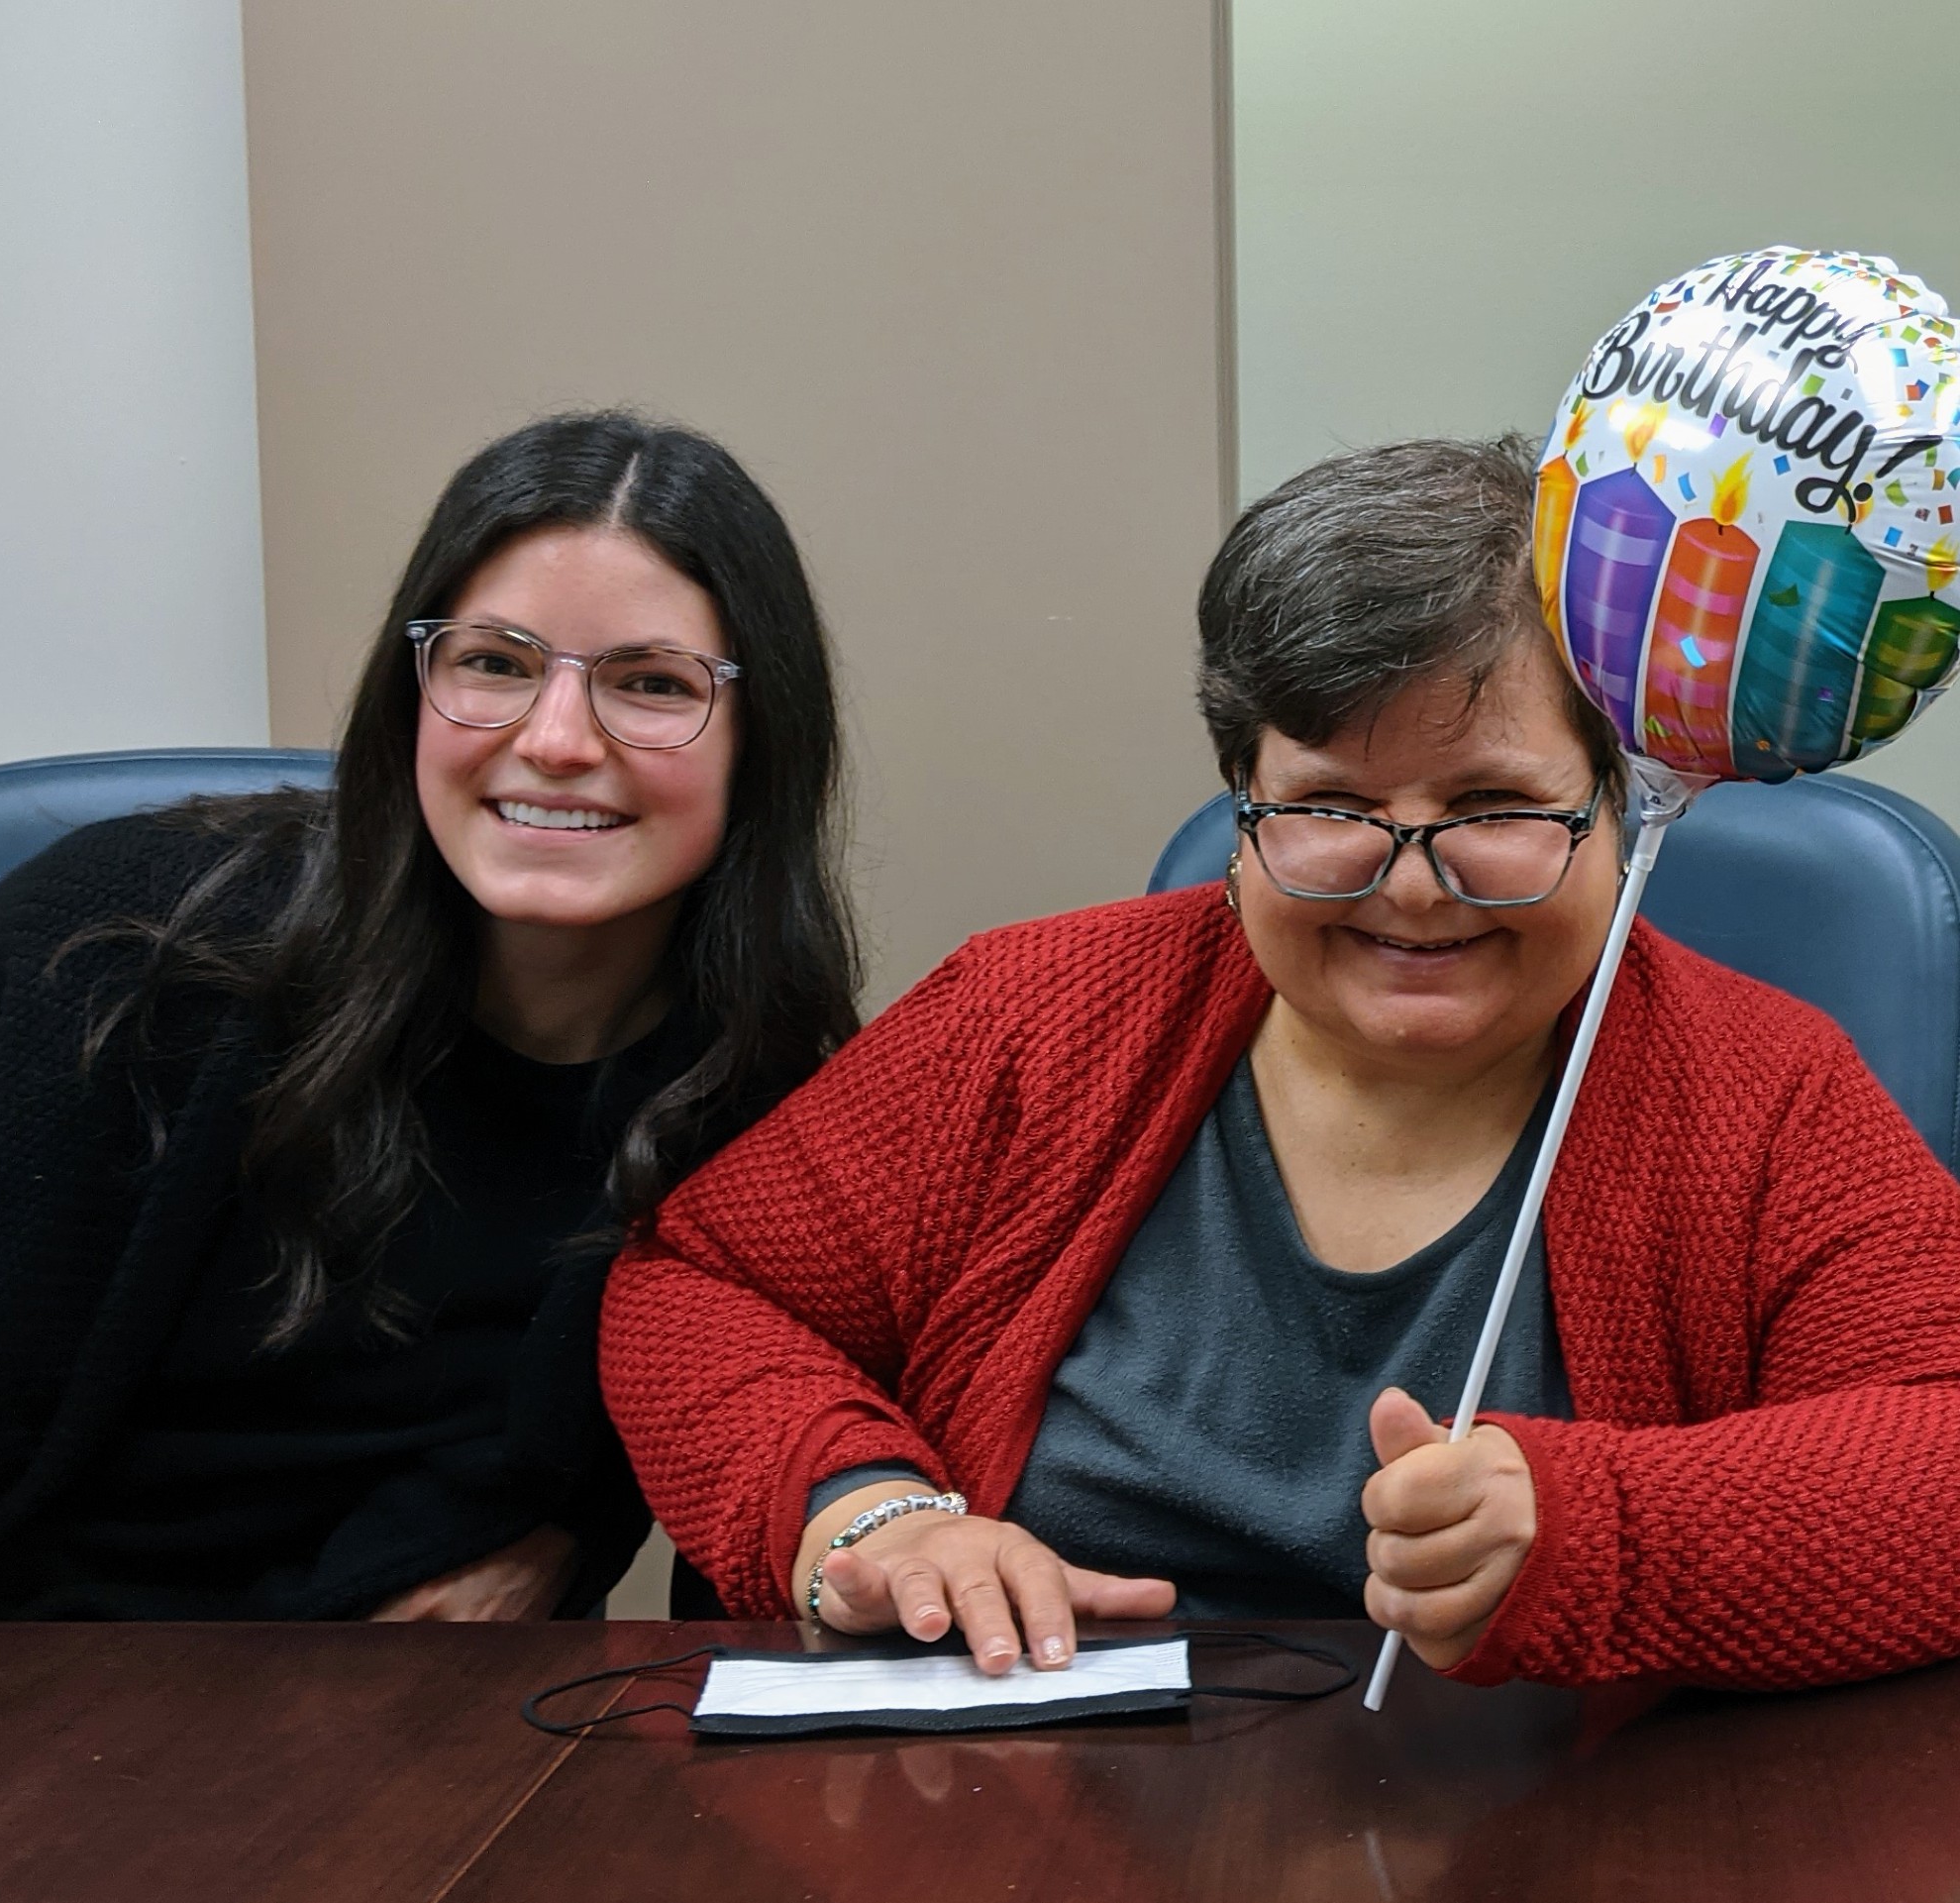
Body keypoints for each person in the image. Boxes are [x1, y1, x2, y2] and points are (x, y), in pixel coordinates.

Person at [601, 433, 1960, 1689]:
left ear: (1621, 808)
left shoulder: (1761, 1090)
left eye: (1492, 808)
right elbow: (700, 1287)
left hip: (1566, 1850)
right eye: (1330, 807)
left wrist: (1600, 1532)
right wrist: (871, 1506)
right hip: (1028, 1836)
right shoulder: (1029, 1017)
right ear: (1239, 806)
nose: (1413, 887)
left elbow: (1940, 1451)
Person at [0, 411, 857, 1620]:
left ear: (761, 744)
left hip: (427, 1740)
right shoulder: (113, 947)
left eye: (652, 683)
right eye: (494, 663)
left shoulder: (781, 1107)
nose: (554, 742)